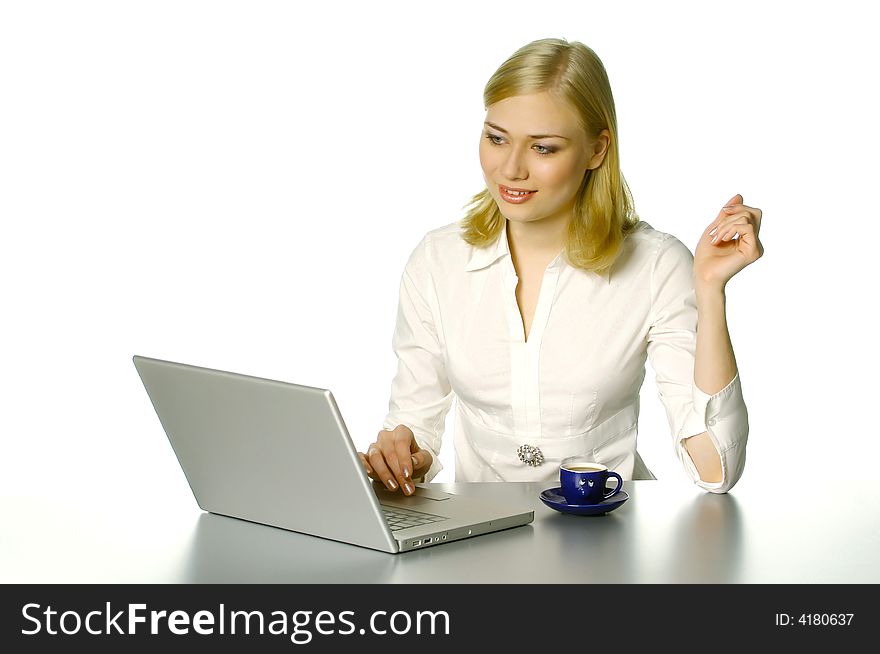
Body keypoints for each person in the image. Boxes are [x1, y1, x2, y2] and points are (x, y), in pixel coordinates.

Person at [358, 37, 762, 497]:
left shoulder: (655, 265)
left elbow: (715, 471)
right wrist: (402, 455)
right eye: (496, 138)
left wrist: (709, 291)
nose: (510, 169)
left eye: (544, 148)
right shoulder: (437, 260)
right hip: (481, 544)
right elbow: (416, 423)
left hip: (609, 541)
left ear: (596, 151)